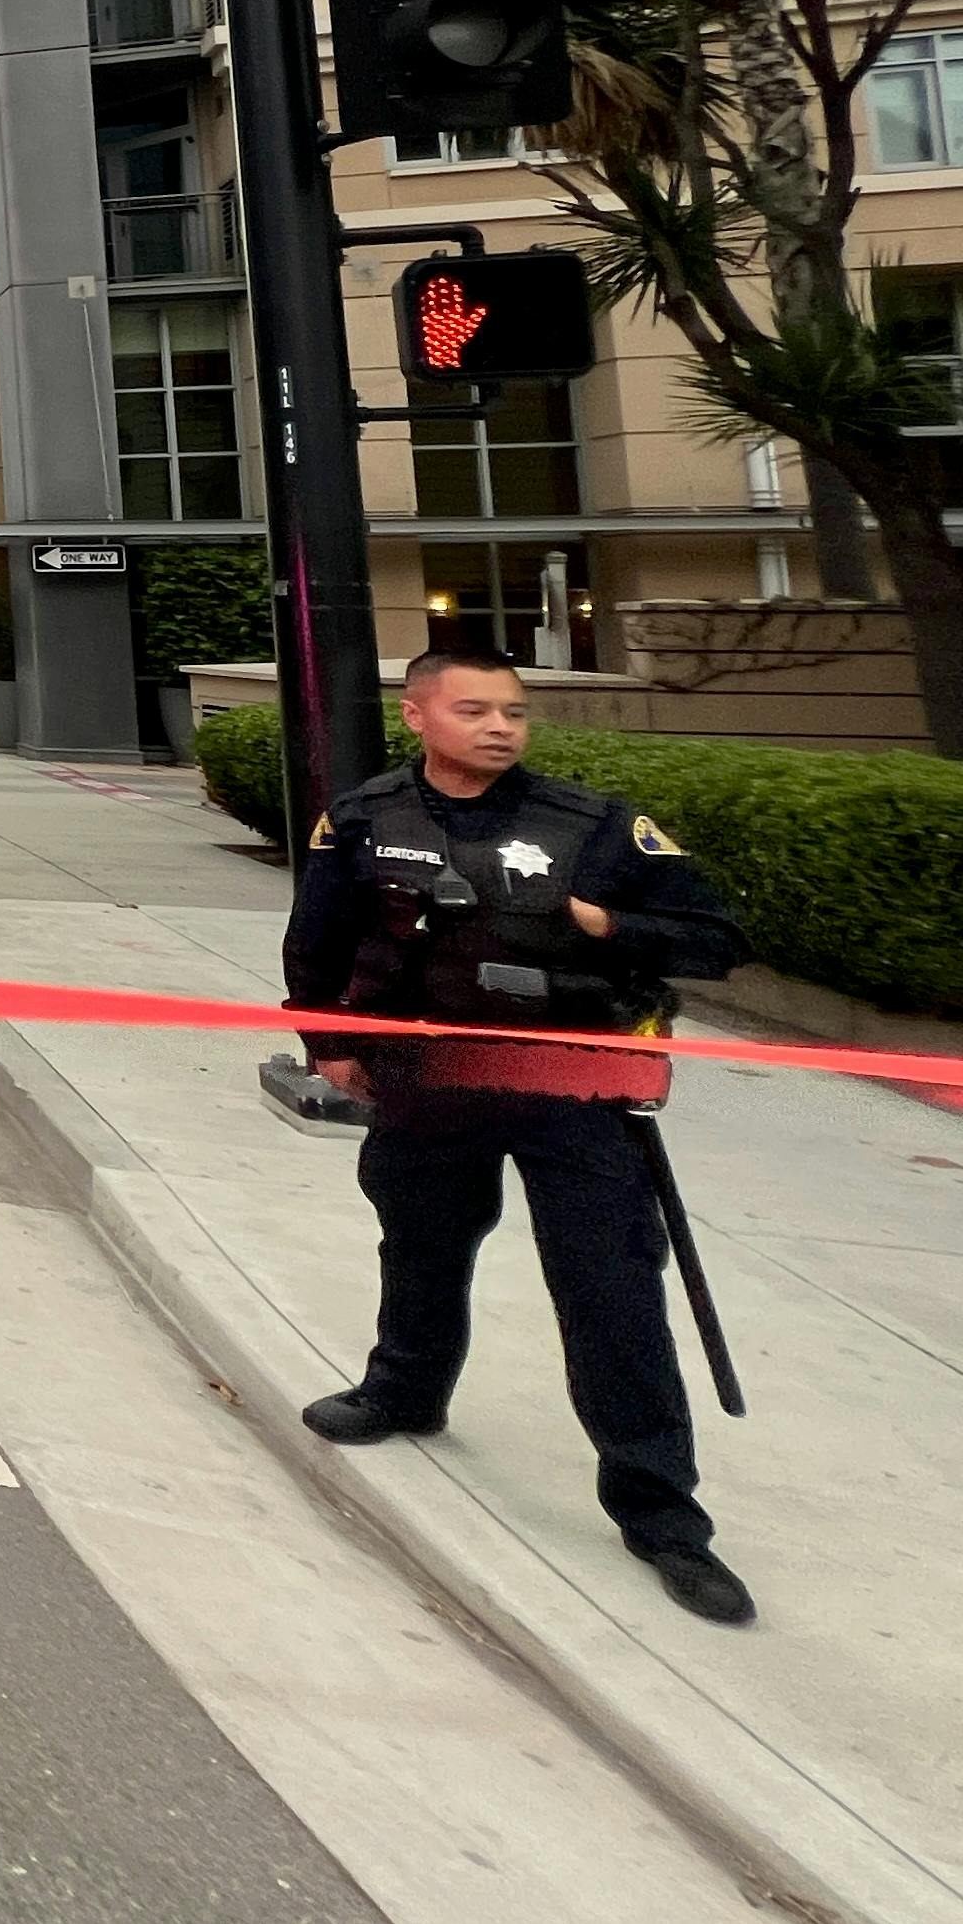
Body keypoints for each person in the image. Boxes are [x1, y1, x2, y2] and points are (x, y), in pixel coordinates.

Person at [281, 648, 758, 1624]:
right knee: (420, 1249)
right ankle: (404, 1393)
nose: (501, 726)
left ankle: (662, 1513)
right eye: (474, 709)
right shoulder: (365, 820)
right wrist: (328, 1043)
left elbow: (715, 937)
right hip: (430, 1082)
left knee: (610, 1290)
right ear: (417, 717)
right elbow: (317, 942)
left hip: (570, 1091)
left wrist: (598, 919)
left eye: (514, 712)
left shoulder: (596, 827)